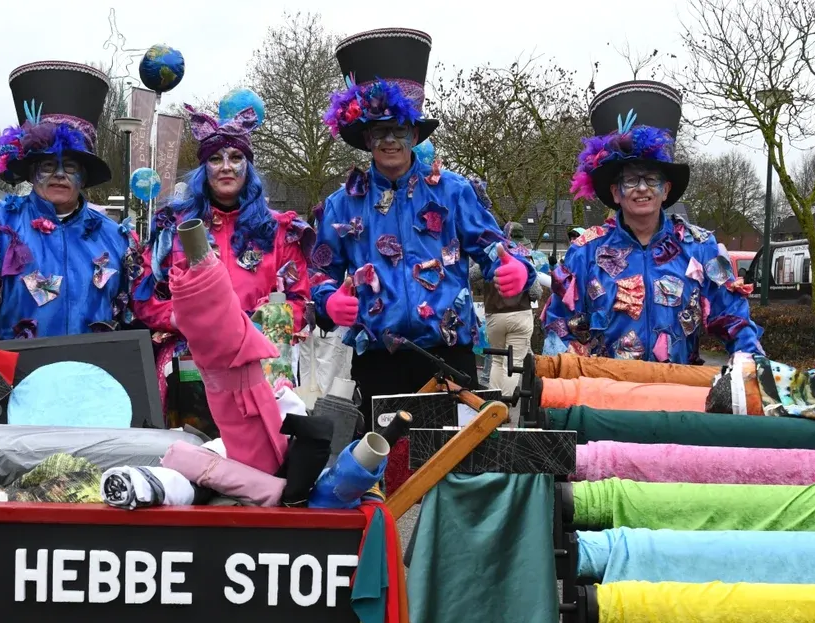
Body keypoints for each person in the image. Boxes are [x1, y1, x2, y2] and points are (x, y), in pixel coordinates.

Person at [311, 27, 534, 417]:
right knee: (386, 455)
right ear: (367, 139)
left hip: (449, 358)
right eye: (379, 131)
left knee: (458, 455)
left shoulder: (454, 191)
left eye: (398, 128)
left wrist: (517, 269)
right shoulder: (341, 204)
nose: (389, 140)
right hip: (378, 362)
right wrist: (328, 299)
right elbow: (318, 273)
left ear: (414, 133)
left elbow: (495, 249)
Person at [543, 80, 763, 362]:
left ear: (666, 190)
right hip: (604, 388)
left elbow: (732, 317)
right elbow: (560, 327)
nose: (642, 188)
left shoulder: (699, 247)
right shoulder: (585, 252)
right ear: (616, 192)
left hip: (679, 387)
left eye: (651, 179)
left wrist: (751, 364)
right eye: (630, 180)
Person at [133, 99, 314, 416]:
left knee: (259, 445)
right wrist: (183, 319)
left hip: (260, 365)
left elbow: (299, 299)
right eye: (215, 159)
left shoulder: (280, 231)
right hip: (190, 367)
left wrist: (262, 323)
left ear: (249, 166)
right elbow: (145, 296)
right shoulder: (173, 228)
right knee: (191, 444)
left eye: (236, 157)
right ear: (203, 169)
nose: (226, 167)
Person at [0, 61, 141, 342]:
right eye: (48, 165)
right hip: (16, 365)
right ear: (31, 172)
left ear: (84, 176)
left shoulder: (116, 237)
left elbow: (134, 309)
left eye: (70, 167)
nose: (59, 175)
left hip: (94, 366)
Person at [483, 221, 547, 394]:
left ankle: (493, 403)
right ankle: (506, 403)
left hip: (494, 314)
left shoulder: (489, 257)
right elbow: (536, 292)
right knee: (514, 362)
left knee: (497, 360)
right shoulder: (525, 261)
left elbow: (472, 275)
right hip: (520, 314)